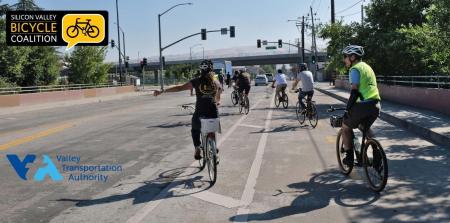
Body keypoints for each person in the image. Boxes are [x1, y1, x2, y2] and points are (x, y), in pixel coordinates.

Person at [154, 59, 222, 160]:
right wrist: (216, 101)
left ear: (201, 69)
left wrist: (162, 91)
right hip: (213, 112)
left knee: (195, 129)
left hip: (200, 111)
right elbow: (218, 96)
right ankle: (214, 147)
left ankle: (197, 147)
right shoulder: (216, 82)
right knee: (212, 129)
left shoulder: (196, 81)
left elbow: (179, 88)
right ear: (211, 69)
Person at [341, 45, 381, 165]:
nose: (344, 60)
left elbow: (355, 91)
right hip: (376, 105)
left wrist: (347, 109)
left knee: (345, 126)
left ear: (353, 57)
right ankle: (377, 153)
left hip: (363, 105)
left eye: (345, 57)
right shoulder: (367, 67)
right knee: (365, 127)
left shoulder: (355, 69)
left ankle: (349, 157)